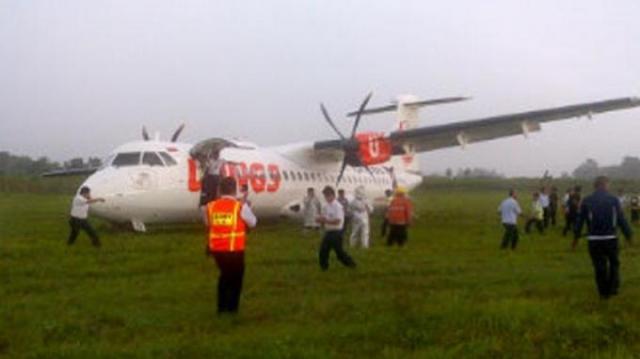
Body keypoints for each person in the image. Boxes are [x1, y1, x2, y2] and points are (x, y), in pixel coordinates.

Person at [573, 176, 632, 299]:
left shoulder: (587, 200)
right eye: (608, 184)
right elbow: (621, 219)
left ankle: (603, 293)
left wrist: (576, 237)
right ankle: (613, 288)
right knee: (614, 264)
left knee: (599, 266)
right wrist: (628, 235)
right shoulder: (613, 199)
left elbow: (580, 220)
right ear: (604, 184)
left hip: (594, 239)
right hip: (610, 238)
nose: (608, 187)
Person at [205, 177, 257, 314]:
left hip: (217, 249)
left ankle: (221, 308)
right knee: (236, 279)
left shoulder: (211, 206)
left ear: (220, 190)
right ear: (235, 190)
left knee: (224, 277)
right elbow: (253, 223)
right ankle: (232, 309)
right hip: (234, 249)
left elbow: (210, 224)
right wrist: (247, 208)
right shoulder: (239, 206)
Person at [316, 186, 356, 270]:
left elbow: (337, 221)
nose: (327, 198)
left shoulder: (337, 206)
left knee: (339, 252)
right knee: (323, 250)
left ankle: (351, 264)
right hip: (329, 231)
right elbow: (323, 217)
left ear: (333, 195)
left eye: (328, 195)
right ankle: (324, 268)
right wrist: (319, 219)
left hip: (336, 232)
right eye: (325, 196)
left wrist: (325, 221)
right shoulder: (326, 206)